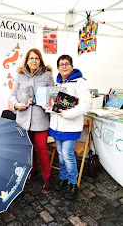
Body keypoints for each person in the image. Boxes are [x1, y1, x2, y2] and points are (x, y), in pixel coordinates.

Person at [10, 48, 54, 193]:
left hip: (40, 119)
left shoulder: (47, 75)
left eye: (36, 58)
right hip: (23, 118)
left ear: (40, 60)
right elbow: (12, 95)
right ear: (27, 61)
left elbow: (53, 96)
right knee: (29, 149)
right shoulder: (20, 75)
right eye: (31, 58)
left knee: (41, 149)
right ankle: (33, 171)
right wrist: (16, 104)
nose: (34, 61)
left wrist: (47, 103)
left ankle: (46, 178)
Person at [49, 55, 91, 199]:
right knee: (60, 154)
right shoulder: (56, 82)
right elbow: (53, 103)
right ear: (58, 67)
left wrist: (66, 114)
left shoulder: (80, 82)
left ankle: (73, 183)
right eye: (61, 64)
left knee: (67, 155)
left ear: (72, 66)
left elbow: (86, 105)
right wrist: (47, 105)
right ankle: (63, 178)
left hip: (71, 126)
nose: (64, 66)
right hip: (57, 125)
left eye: (67, 64)